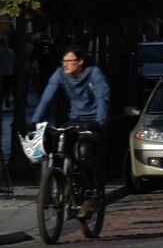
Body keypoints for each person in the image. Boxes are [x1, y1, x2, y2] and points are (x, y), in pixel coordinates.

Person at [29, 47, 110, 217]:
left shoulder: (93, 73)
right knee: (57, 145)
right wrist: (34, 120)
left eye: (69, 61)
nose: (65, 65)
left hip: (93, 120)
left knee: (83, 152)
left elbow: (103, 97)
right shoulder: (60, 74)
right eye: (63, 61)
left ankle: (90, 193)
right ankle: (61, 182)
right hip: (74, 118)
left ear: (80, 61)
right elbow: (47, 97)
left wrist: (99, 121)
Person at [0, 37, 15, 110]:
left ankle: (1, 100)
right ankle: (7, 97)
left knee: (0, 87)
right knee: (7, 87)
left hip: (0, 72)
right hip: (9, 72)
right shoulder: (10, 50)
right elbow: (14, 60)